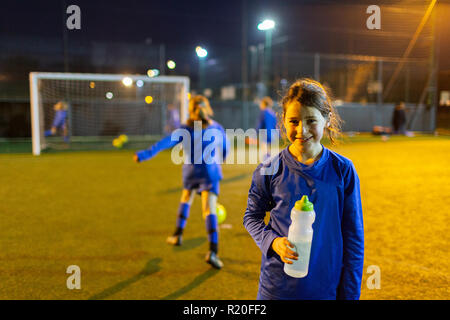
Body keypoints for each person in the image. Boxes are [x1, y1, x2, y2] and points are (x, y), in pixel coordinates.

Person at [243, 78, 364, 300]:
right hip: (276, 289)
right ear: (283, 122)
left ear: (326, 119)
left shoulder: (342, 170)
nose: (302, 129)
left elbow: (354, 239)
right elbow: (251, 217)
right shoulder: (269, 170)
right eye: (294, 121)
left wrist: (350, 295)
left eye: (311, 120)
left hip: (324, 288)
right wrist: (273, 242)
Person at [134, 95, 229, 269]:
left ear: (190, 110)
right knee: (209, 209)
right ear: (207, 108)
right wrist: (221, 158)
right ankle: (213, 252)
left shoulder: (185, 128)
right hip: (210, 172)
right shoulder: (217, 127)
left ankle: (177, 235)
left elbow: (165, 142)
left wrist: (145, 155)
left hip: (191, 172)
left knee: (186, 197)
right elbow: (225, 148)